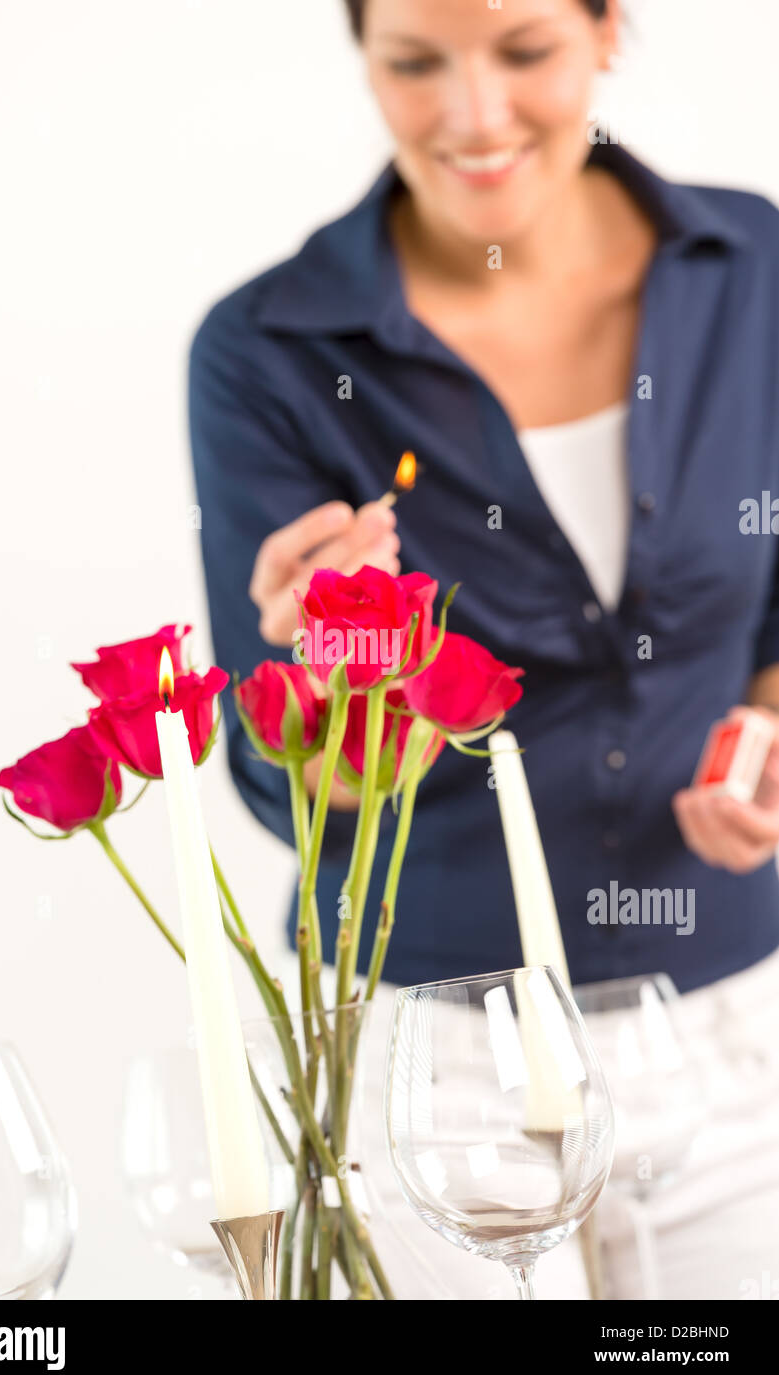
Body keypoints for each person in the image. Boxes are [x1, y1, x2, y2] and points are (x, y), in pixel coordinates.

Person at [189, 0, 779, 1298]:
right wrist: (326, 689)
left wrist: (768, 734)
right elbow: (286, 793)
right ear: (361, 56)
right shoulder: (270, 354)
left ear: (606, 29)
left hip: (730, 1034)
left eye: (522, 51)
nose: (471, 116)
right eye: (412, 63)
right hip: (417, 1062)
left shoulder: (754, 271)